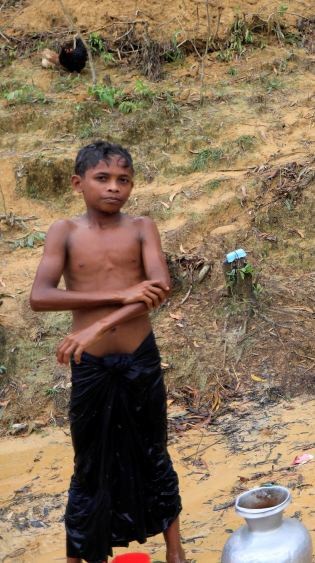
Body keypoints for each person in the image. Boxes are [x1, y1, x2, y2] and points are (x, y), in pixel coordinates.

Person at [29, 141, 185, 563]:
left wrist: (99, 322)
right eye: (103, 178)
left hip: (140, 356)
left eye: (124, 180)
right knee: (89, 460)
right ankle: (78, 557)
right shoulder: (65, 231)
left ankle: (175, 552)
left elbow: (160, 288)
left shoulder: (141, 227)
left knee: (154, 448)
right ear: (78, 183)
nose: (114, 188)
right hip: (90, 364)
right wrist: (121, 294)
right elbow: (40, 296)